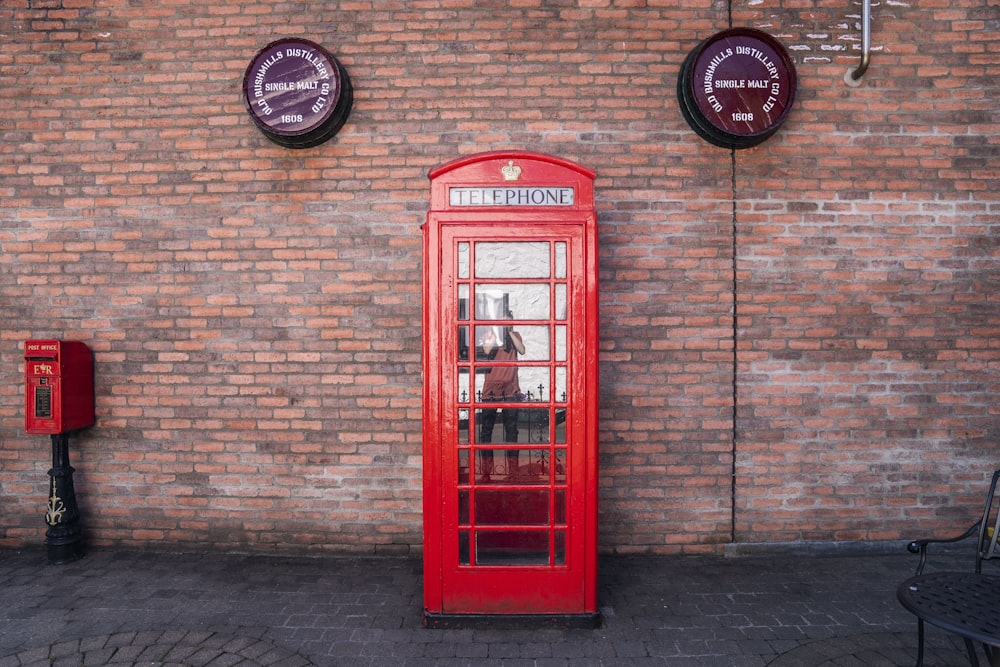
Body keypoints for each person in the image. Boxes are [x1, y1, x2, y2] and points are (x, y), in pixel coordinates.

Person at [477, 318, 525, 480]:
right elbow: (486, 350)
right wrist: (496, 333)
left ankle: (513, 471)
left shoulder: (515, 335)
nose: (505, 325)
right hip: (490, 390)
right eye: (503, 322)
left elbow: (522, 350)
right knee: (486, 432)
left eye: (508, 322)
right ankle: (486, 472)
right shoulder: (489, 334)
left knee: (511, 432)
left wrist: (510, 332)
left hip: (510, 390)